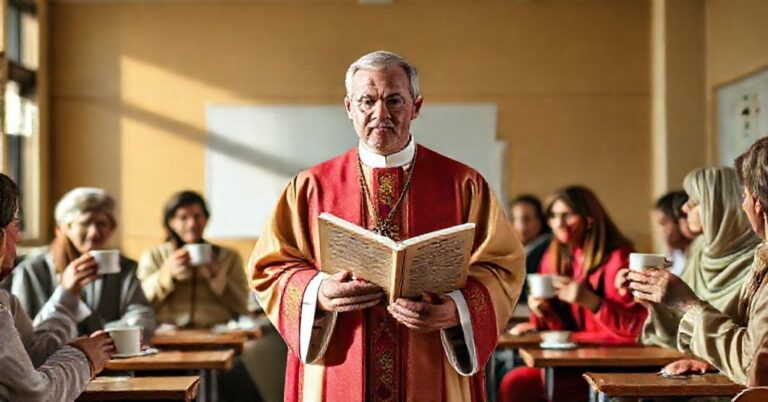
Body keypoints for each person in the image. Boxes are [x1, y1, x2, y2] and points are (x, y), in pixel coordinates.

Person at [249, 50, 524, 401]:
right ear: (349, 107)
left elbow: (502, 267)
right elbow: (269, 267)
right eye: (367, 101)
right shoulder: (310, 187)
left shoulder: (463, 184)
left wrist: (456, 308)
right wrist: (318, 291)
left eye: (394, 100)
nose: (381, 114)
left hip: (431, 363)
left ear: (416, 106)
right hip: (341, 365)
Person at [629, 140, 768, 385]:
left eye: (744, 195)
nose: (684, 208)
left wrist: (687, 303)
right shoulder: (706, 253)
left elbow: (754, 365)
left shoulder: (756, 264)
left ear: (756, 203)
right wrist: (655, 301)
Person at [500, 186, 645, 402]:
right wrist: (543, 312)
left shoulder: (618, 259)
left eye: (567, 215)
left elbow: (636, 331)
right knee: (514, 380)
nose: (558, 223)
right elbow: (562, 329)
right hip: (576, 360)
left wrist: (591, 301)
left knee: (519, 384)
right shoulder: (554, 256)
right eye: (554, 216)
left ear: (590, 219)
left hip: (610, 365)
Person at [0, 173, 114, 401]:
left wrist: (68, 294)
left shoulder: (4, 300)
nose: (19, 238)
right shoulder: (31, 270)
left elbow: (30, 356)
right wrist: (83, 358)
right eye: (16, 224)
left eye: (102, 224)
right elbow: (34, 395)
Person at [4, 187, 156, 338]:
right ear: (64, 228)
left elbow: (143, 316)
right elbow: (21, 332)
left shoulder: (124, 268)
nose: (94, 233)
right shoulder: (32, 270)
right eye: (85, 223)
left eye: (102, 224)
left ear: (112, 228)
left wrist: (101, 336)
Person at [137, 190, 249, 328]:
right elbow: (139, 304)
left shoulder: (228, 257)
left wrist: (217, 277)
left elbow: (243, 306)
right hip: (167, 336)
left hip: (217, 334)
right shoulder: (154, 256)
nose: (192, 224)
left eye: (197, 216)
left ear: (206, 219)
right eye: (183, 217)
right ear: (171, 222)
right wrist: (166, 274)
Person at [510, 194, 552, 289]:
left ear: (540, 220)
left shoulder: (547, 248)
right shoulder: (516, 248)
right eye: (516, 219)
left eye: (527, 219)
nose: (521, 226)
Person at [652, 191, 694, 277]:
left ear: (680, 220)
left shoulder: (695, 255)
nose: (660, 231)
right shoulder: (675, 255)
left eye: (663, 224)